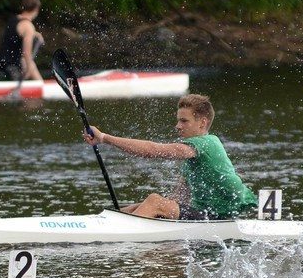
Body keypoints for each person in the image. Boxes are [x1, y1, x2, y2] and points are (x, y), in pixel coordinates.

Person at [82, 93, 256, 220]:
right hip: (207, 215)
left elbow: (152, 150)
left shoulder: (206, 143)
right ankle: (100, 222)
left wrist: (104, 138)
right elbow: (176, 200)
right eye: (178, 120)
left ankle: (117, 233)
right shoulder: (191, 159)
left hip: (225, 216)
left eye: (184, 121)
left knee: (154, 201)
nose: (177, 126)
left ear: (202, 122)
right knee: (143, 205)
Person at [0, 0, 44, 81]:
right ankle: (41, 86)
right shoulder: (28, 26)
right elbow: (27, 52)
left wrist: (35, 35)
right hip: (13, 66)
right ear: (36, 9)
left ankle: (40, 85)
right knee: (30, 64)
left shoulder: (14, 19)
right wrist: (29, 69)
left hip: (2, 61)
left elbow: (17, 33)